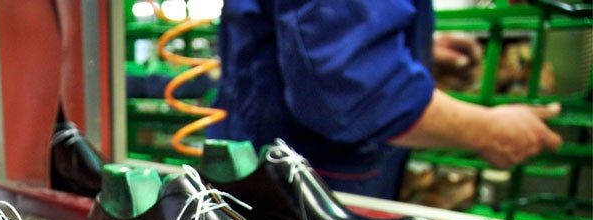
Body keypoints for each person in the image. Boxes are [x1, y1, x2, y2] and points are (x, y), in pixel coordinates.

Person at [209, 0, 563, 200]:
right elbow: (350, 87)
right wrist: (487, 130)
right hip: (309, 175)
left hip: (312, 161)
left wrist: (406, 47)